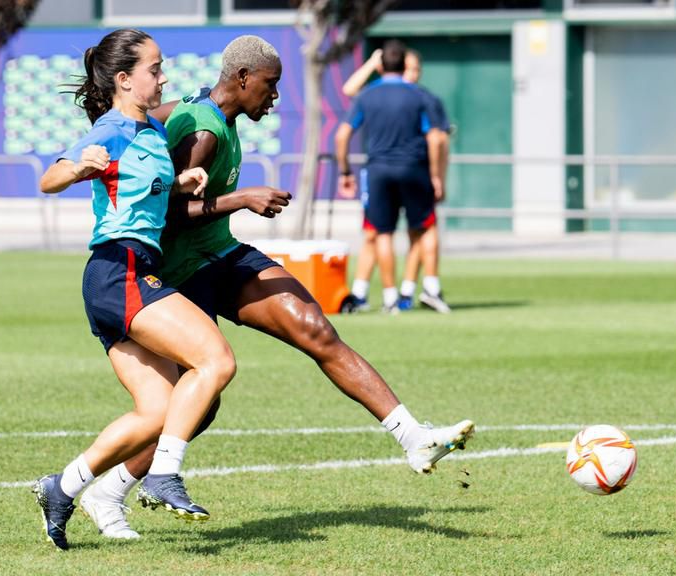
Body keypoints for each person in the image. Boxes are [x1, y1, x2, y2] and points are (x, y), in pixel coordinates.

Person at [76, 35, 475, 541]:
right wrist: (241, 198)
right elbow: (167, 213)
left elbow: (173, 112)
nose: (274, 96)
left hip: (219, 254)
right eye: (270, 84)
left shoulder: (211, 113)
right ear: (243, 79)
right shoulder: (203, 133)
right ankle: (106, 491)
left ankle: (414, 437)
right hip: (178, 273)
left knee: (313, 327)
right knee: (196, 405)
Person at [32, 28, 234, 550]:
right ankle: (164, 473)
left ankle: (64, 486)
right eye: (154, 69)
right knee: (214, 362)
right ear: (124, 80)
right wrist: (78, 167)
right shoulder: (115, 128)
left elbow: (145, 192)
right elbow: (49, 178)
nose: (163, 77)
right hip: (118, 271)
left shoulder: (149, 133)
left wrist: (181, 183)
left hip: (123, 276)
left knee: (158, 411)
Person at [335, 40, 448, 315]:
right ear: (406, 67)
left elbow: (342, 135)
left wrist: (345, 172)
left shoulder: (368, 96)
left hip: (378, 170)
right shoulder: (422, 96)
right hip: (414, 167)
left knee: (381, 233)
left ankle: (390, 298)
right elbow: (436, 139)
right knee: (425, 228)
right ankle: (429, 288)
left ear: (381, 65)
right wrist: (436, 175)